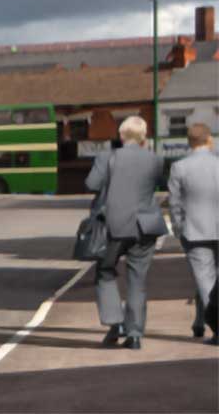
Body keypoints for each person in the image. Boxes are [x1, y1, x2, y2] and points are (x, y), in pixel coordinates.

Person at [88, 115, 165, 351]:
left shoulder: (107, 157)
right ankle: (135, 334)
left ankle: (115, 322)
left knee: (105, 272)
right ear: (143, 137)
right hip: (146, 226)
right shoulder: (156, 159)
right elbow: (157, 184)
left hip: (114, 226)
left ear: (121, 135)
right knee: (137, 281)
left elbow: (92, 184)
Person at [165, 121, 218, 346]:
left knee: (204, 280)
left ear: (189, 143)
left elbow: (174, 204)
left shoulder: (179, 167)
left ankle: (215, 327)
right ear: (209, 140)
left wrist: (178, 229)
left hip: (195, 231)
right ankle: (204, 322)